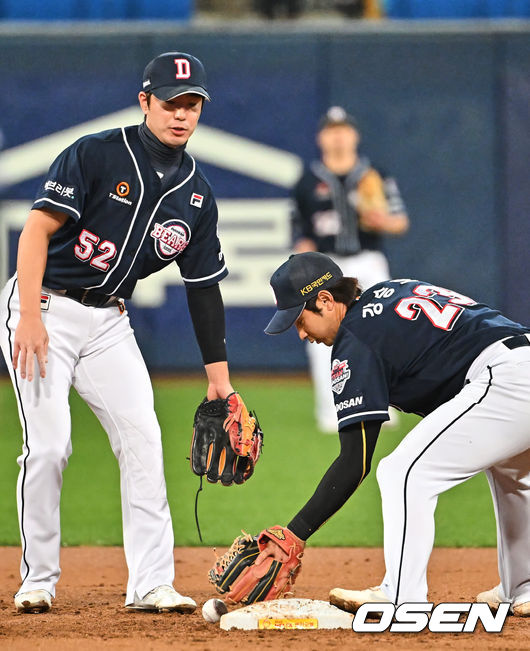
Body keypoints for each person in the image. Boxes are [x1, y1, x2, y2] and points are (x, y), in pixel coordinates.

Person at [0, 51, 237, 614]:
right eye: (170, 102)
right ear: (145, 102)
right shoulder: (97, 154)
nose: (181, 114)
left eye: (192, 104)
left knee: (144, 441)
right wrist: (29, 314)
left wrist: (220, 382)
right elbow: (35, 230)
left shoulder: (196, 193)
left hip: (109, 320)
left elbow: (204, 287)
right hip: (45, 305)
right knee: (50, 445)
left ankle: (151, 583)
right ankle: (38, 578)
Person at [261, 251, 530, 616]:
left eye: (299, 318)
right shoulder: (389, 291)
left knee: (404, 473)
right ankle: (525, 587)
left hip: (505, 378)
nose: (301, 333)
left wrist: (296, 532)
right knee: (512, 473)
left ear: (325, 300)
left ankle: (400, 595)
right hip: (519, 360)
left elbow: (354, 461)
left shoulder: (355, 338)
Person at [291, 106, 409, 431]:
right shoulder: (306, 181)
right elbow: (298, 233)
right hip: (328, 266)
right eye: (331, 130)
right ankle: (331, 413)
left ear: (354, 135)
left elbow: (400, 221)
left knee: (383, 332)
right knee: (319, 337)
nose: (338, 135)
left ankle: (382, 406)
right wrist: (304, 259)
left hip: (368, 261)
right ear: (321, 137)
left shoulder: (376, 175)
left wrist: (382, 220)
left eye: (343, 129)